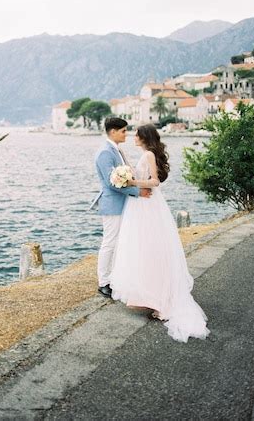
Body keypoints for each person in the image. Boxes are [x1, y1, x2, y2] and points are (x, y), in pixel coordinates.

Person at [110, 124, 210, 343]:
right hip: (143, 205)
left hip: (148, 206)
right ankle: (152, 295)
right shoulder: (145, 154)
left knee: (150, 249)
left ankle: (161, 300)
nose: (133, 137)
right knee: (147, 250)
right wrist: (126, 172)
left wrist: (132, 181)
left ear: (144, 137)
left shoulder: (148, 155)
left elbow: (155, 182)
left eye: (136, 134)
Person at [94, 117, 151, 299]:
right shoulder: (105, 152)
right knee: (109, 243)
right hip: (112, 204)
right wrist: (137, 192)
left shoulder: (115, 150)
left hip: (121, 203)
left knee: (119, 242)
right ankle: (103, 283)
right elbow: (112, 183)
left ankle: (113, 278)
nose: (126, 134)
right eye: (123, 131)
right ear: (113, 132)